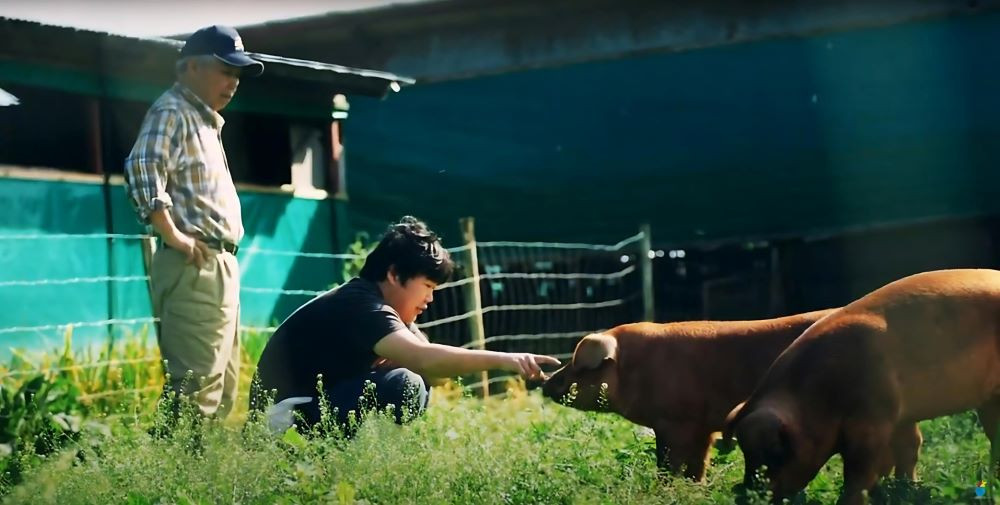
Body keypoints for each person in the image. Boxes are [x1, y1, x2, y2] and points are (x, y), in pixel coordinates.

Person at [251, 216, 560, 431]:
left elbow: (432, 371)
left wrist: (415, 359)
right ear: (394, 274)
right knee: (405, 384)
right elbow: (427, 360)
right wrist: (509, 360)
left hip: (311, 408)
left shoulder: (381, 305)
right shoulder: (362, 304)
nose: (430, 299)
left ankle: (366, 465)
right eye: (427, 286)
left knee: (414, 379)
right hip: (281, 419)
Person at [124, 25, 264, 420]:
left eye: (237, 75)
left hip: (217, 263)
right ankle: (174, 479)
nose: (233, 83)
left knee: (222, 390)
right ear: (189, 68)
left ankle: (202, 479)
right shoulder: (174, 111)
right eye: (225, 71)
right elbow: (142, 166)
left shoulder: (203, 119)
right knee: (196, 390)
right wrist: (173, 235)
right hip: (194, 263)